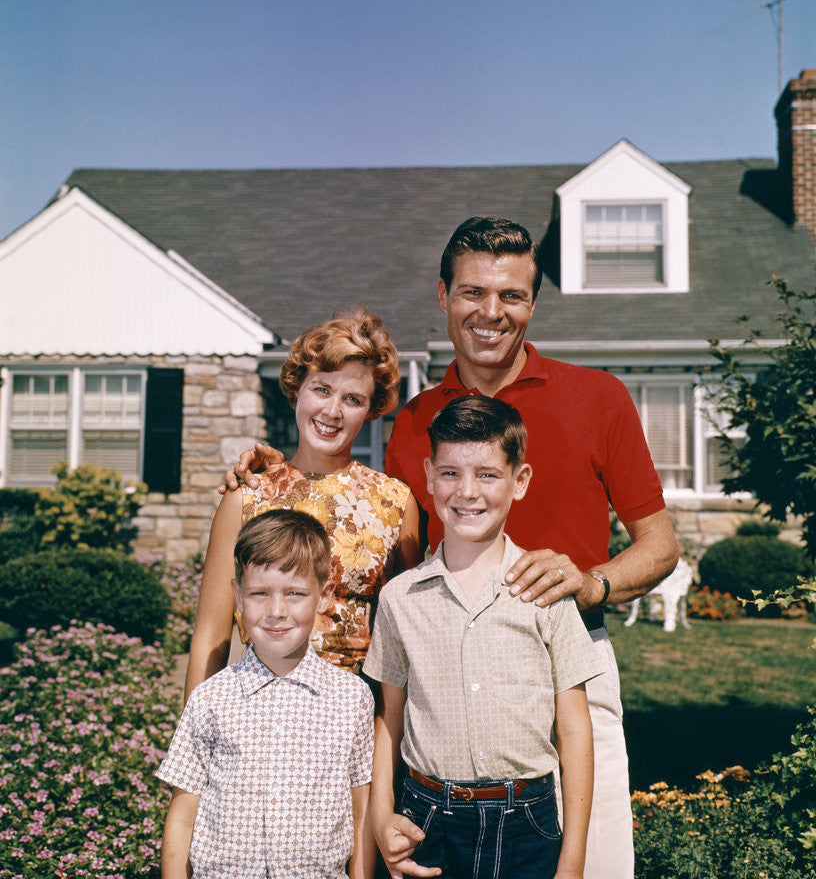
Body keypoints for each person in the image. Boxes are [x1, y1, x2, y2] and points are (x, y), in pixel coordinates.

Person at [224, 217, 679, 879]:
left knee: (593, 862)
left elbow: (660, 544)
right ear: (443, 296)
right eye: (472, 292)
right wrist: (275, 470)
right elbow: (366, 510)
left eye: (511, 296)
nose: (490, 313)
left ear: (532, 303)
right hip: (444, 668)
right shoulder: (415, 421)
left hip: (570, 654)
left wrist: (592, 583)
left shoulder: (598, 397)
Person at [365, 396, 600, 879]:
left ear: (520, 481)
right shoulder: (399, 598)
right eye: (450, 473)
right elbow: (389, 718)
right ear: (429, 475)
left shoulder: (547, 592)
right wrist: (380, 814)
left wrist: (573, 860)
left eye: (488, 475)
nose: (467, 491)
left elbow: (574, 729)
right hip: (426, 820)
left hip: (527, 823)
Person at [186, 308, 420, 702]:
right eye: (322, 390)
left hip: (354, 718)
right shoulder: (248, 495)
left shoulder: (394, 503)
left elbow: (407, 643)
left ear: (371, 409)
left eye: (353, 399)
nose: (332, 411)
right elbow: (211, 634)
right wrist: (191, 742)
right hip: (258, 710)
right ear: (298, 388)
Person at [158, 509, 376, 879]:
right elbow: (182, 816)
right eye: (259, 593)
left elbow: (361, 814)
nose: (276, 611)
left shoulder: (352, 699)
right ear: (238, 596)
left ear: (323, 596)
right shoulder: (210, 699)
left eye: (294, 594)